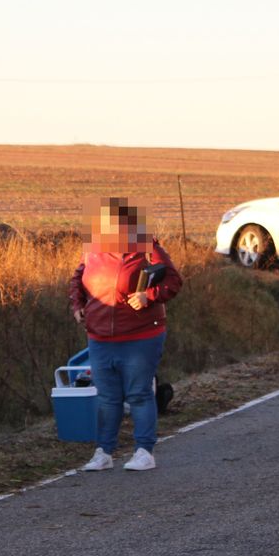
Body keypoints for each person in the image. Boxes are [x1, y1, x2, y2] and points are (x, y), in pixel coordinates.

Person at [67, 198, 183, 472]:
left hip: (140, 335)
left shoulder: (147, 247)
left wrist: (148, 296)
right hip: (99, 336)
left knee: (139, 393)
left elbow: (173, 280)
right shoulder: (92, 250)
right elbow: (77, 279)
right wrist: (77, 305)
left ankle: (144, 451)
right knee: (107, 397)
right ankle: (104, 452)